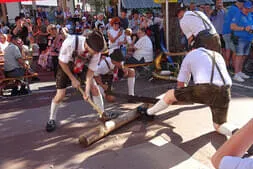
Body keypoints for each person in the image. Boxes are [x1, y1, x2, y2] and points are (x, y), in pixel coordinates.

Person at [137, 47, 239, 137]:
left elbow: (180, 86)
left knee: (169, 94)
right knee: (219, 125)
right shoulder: (217, 54)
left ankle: (147, 113)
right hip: (226, 90)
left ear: (191, 49)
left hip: (205, 89)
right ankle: (238, 134)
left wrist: (176, 98)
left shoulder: (190, 55)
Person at [45, 30, 114, 132]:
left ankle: (102, 113)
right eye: (94, 51)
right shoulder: (70, 43)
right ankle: (51, 119)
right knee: (61, 94)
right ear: (87, 44)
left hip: (82, 64)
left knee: (94, 88)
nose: (96, 54)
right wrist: (72, 79)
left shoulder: (96, 51)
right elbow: (62, 62)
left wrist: (86, 91)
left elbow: (90, 72)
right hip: (66, 65)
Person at [230, 1, 253, 82]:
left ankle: (239, 72)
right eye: (246, 8)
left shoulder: (250, 14)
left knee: (244, 56)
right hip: (240, 38)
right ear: (242, 7)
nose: (247, 9)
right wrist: (243, 28)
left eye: (249, 8)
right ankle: (236, 74)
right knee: (239, 56)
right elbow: (232, 26)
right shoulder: (238, 14)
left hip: (248, 38)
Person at [222, 0, 244, 70]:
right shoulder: (236, 10)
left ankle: (227, 65)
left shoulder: (231, 8)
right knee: (234, 51)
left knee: (228, 49)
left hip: (225, 31)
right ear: (239, 3)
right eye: (242, 4)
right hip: (230, 32)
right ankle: (234, 67)